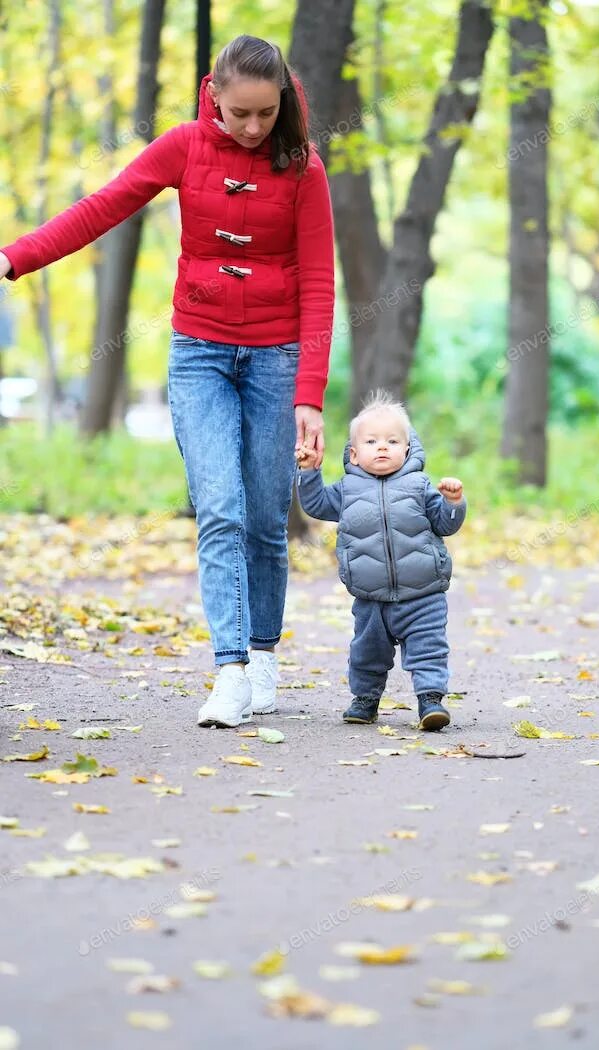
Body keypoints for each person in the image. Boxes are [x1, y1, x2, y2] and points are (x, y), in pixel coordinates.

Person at [0, 35, 335, 729]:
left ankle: (265, 654)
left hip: (275, 357)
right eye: (239, 113)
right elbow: (102, 207)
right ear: (213, 94)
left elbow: (320, 287)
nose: (252, 128)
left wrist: (310, 394)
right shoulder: (184, 147)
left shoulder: (304, 170)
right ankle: (231, 670)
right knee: (220, 508)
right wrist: (13, 258)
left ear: (283, 104)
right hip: (201, 355)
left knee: (268, 522)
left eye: (266, 114)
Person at [295, 391, 466, 731]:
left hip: (424, 592)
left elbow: (446, 524)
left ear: (407, 449)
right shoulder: (347, 490)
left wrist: (453, 502)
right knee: (367, 653)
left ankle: (430, 700)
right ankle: (366, 699)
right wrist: (309, 472)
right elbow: (314, 505)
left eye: (392, 440)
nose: (383, 447)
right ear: (355, 455)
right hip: (370, 596)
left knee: (428, 648)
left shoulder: (420, 485)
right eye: (372, 441)